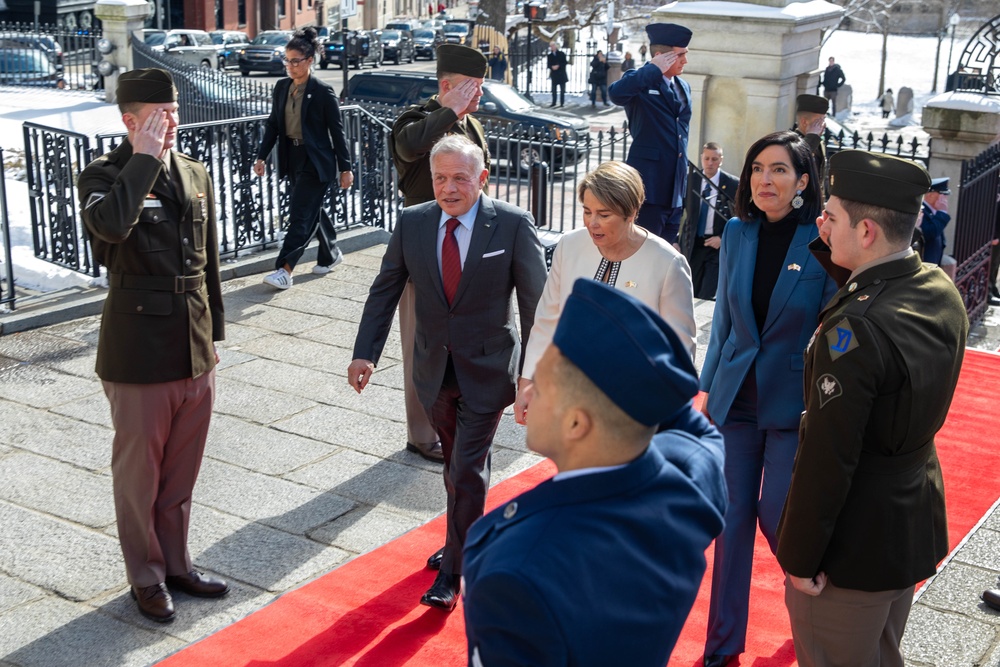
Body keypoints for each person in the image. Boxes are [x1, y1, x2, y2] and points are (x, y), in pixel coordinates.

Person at [464, 278, 726, 666]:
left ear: (576, 425)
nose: (528, 392)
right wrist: (629, 376)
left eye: (543, 383)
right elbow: (697, 429)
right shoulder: (692, 479)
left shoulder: (519, 575)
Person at [776, 150, 969, 667]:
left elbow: (828, 455)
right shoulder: (936, 289)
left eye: (831, 217)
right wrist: (836, 243)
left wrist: (797, 557)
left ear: (865, 233)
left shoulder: (854, 330)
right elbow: (873, 291)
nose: (821, 224)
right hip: (904, 526)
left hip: (850, 547)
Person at [348, 135, 547, 612]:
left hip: (488, 369)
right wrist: (364, 353)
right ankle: (467, 539)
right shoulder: (413, 222)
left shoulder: (513, 225)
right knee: (457, 465)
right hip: (433, 370)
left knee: (467, 468)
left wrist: (533, 376)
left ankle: (453, 575)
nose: (449, 187)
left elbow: (536, 304)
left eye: (461, 177)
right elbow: (385, 289)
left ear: (482, 178)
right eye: (440, 177)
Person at [77, 68, 229, 623]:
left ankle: (178, 564)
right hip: (138, 348)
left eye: (174, 114)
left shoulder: (193, 171)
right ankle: (145, 576)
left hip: (192, 343)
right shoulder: (103, 176)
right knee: (139, 474)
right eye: (159, 118)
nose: (170, 126)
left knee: (181, 471)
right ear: (130, 121)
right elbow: (112, 229)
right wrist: (142, 159)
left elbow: (208, 262)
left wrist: (213, 335)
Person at [700, 130, 837, 667]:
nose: (765, 179)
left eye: (779, 170)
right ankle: (721, 649)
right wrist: (707, 391)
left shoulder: (824, 241)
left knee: (777, 516)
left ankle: (829, 604)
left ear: (803, 181)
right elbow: (726, 325)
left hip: (792, 406)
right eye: (758, 168)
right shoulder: (737, 231)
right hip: (736, 401)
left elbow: (831, 329)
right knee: (729, 523)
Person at [513, 160, 697, 425]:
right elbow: (548, 318)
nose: (592, 223)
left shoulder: (668, 263)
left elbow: (679, 347)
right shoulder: (570, 245)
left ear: (631, 212)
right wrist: (528, 379)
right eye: (587, 211)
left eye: (604, 214)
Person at [390, 44, 491, 469]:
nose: (480, 97)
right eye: (473, 89)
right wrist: (448, 109)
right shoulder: (413, 120)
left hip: (469, 249)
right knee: (421, 344)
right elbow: (412, 146)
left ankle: (455, 414)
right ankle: (421, 434)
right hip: (427, 254)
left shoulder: (472, 126)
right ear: (448, 86)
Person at [255, 27, 354, 290]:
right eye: (286, 60)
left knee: (300, 214)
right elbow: (274, 125)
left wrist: (346, 168)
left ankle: (284, 269)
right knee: (312, 210)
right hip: (293, 157)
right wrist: (261, 156)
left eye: (295, 61)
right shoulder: (281, 87)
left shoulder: (322, 91)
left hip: (317, 161)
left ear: (310, 61)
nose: (290, 66)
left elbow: (337, 132)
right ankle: (331, 254)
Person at [609, 23, 693, 243]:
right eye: (680, 55)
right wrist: (652, 69)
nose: (685, 60)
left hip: (675, 191)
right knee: (642, 252)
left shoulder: (683, 86)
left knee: (664, 258)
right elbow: (616, 94)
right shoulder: (641, 81)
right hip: (650, 189)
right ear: (660, 57)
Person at [678, 142, 739, 300]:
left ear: (721, 160)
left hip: (717, 246)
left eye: (714, 159)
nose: (710, 163)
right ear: (701, 158)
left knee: (708, 292)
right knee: (691, 289)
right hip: (694, 244)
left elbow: (739, 218)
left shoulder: (733, 184)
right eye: (706, 158)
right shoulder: (690, 180)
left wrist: (722, 238)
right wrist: (675, 240)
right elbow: (678, 210)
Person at [794, 94, 828, 195]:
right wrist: (812, 136)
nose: (823, 125)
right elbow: (797, 158)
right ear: (804, 122)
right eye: (819, 121)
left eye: (824, 120)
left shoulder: (818, 142)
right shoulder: (790, 141)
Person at [920, 177, 951, 265]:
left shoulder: (932, 213)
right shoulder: (922, 211)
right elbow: (929, 232)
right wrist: (942, 212)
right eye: (943, 195)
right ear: (931, 195)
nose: (945, 198)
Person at [547, 41, 568, 107]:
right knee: (554, 90)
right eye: (551, 46)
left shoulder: (561, 54)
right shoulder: (550, 55)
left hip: (561, 74)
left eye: (553, 45)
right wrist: (552, 67)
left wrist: (558, 66)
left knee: (562, 90)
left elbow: (564, 62)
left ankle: (562, 103)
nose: (552, 47)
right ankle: (554, 102)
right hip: (554, 74)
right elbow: (548, 65)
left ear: (556, 46)